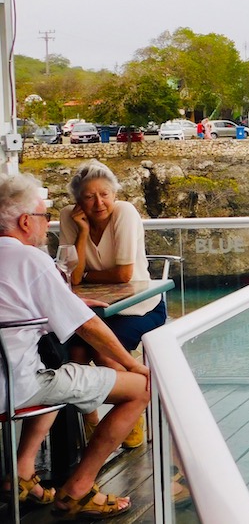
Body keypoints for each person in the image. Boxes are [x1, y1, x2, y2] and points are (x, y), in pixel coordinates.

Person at [0, 173, 148, 519]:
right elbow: (88, 327)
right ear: (25, 222)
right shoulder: (31, 260)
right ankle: (78, 491)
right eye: (43, 217)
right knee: (140, 389)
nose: (46, 224)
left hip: (15, 380)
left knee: (56, 373)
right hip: (17, 389)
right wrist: (132, 364)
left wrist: (68, 304)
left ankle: (21, 474)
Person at [58, 160, 165, 448]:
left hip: (140, 306)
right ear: (78, 201)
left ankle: (131, 417)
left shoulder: (125, 213)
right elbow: (74, 277)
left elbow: (124, 274)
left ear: (115, 194)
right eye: (89, 196)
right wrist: (81, 233)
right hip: (95, 310)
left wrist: (87, 275)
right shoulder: (69, 216)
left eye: (104, 194)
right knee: (74, 354)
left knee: (104, 354)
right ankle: (91, 425)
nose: (98, 202)